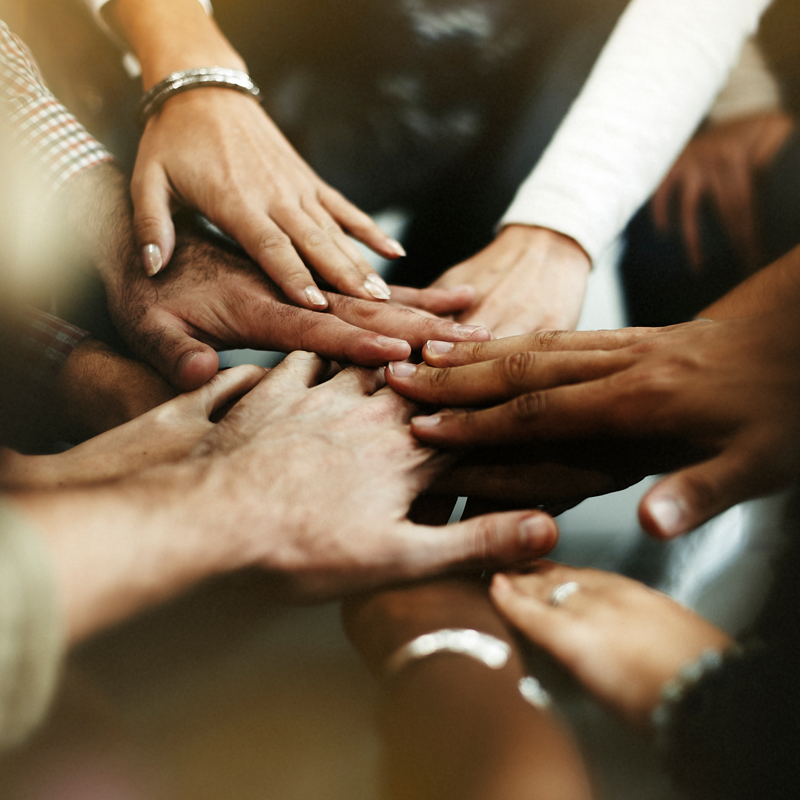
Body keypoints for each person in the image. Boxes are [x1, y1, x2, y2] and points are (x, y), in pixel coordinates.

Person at [84, 0, 771, 337]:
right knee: (121, 276)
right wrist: (189, 69)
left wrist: (557, 233)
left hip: (515, 83)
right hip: (265, 50)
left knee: (442, 339)